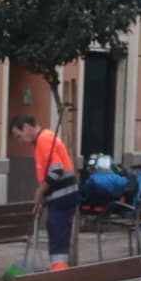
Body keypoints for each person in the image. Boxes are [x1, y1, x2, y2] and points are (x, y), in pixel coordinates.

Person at [32, 103, 84, 264]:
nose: (20, 140)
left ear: (26, 127)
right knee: (59, 237)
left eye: (18, 135)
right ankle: (59, 274)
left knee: (58, 239)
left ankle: (58, 278)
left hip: (62, 197)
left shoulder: (43, 140)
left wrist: (40, 192)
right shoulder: (48, 136)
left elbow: (56, 170)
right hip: (64, 196)